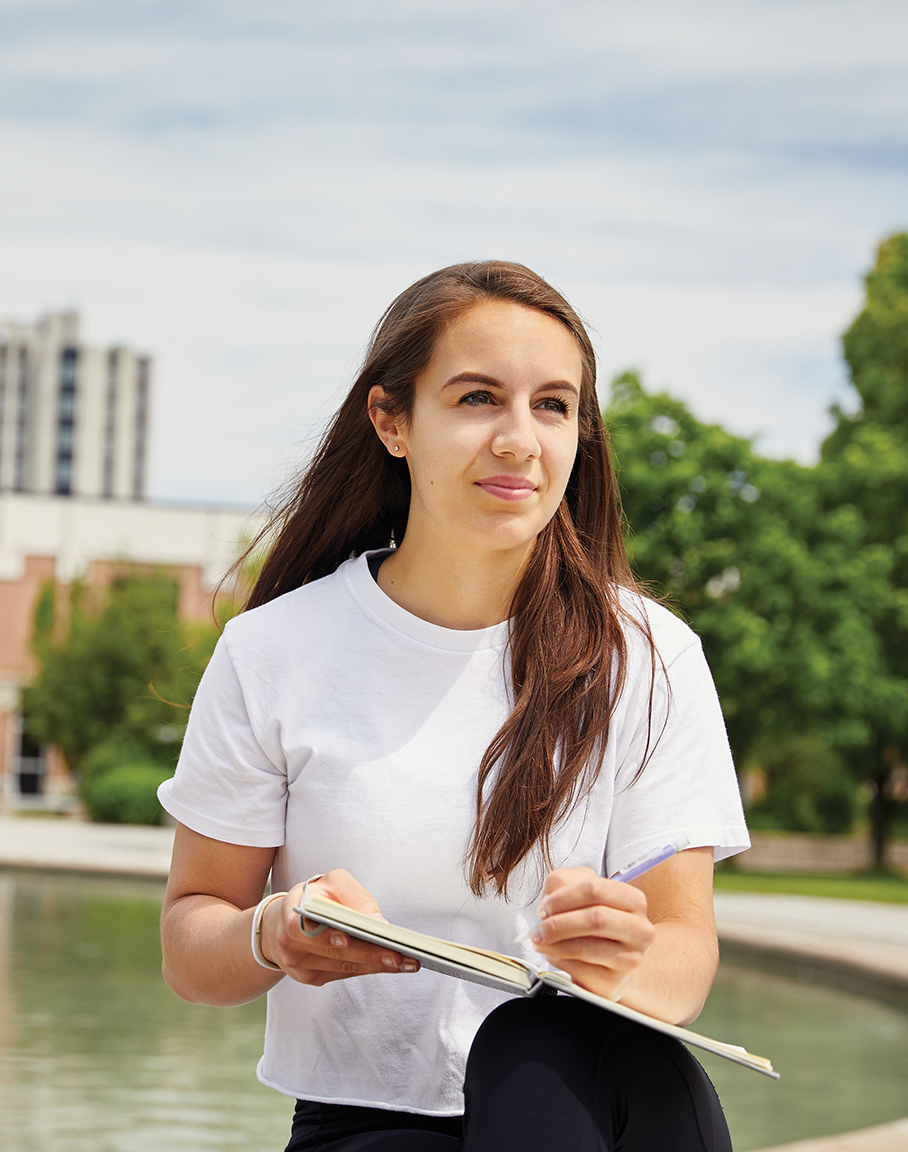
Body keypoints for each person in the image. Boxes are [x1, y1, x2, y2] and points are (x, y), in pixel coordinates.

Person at [158, 260, 749, 1151]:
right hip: (368, 1121)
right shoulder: (273, 651)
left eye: (553, 406)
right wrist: (273, 935)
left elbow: (683, 962)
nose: (520, 440)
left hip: (606, 1098)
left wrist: (627, 957)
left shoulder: (651, 656)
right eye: (479, 398)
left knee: (536, 1036)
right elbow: (191, 945)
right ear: (391, 420)